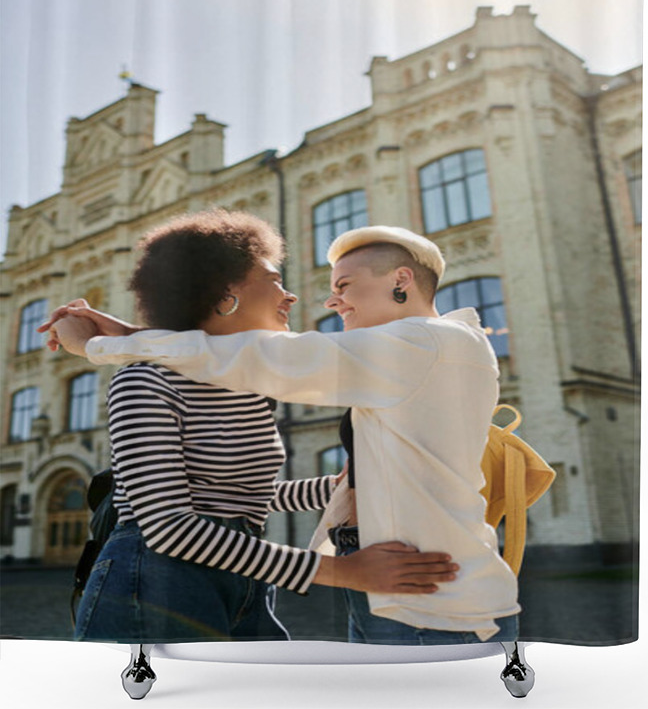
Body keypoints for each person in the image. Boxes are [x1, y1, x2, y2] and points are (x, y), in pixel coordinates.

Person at [45, 224, 520, 645]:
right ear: (224, 294)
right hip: (158, 582)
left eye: (344, 285)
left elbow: (266, 363)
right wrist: (339, 556)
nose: (307, 297)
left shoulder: (418, 345)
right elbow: (171, 523)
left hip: (286, 584)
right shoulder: (147, 378)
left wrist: (107, 342)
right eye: (276, 280)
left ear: (401, 280)